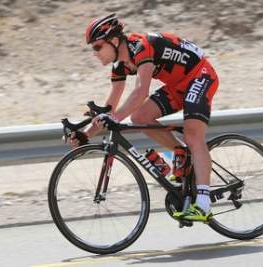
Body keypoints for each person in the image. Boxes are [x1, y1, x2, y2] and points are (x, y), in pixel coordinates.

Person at [70, 13, 219, 222]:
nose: (95, 53)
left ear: (113, 40)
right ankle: (182, 153)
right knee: (140, 117)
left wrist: (115, 118)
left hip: (199, 75)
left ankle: (203, 204)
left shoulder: (140, 46)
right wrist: (86, 135)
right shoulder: (119, 64)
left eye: (97, 46)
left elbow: (141, 92)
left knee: (193, 135)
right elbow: (110, 108)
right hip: (177, 86)